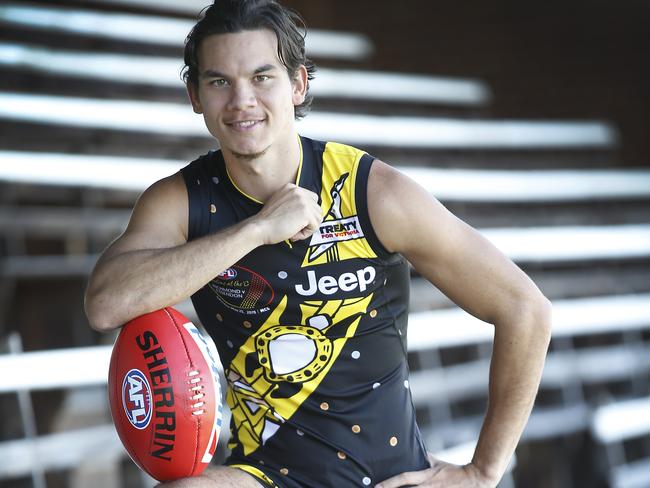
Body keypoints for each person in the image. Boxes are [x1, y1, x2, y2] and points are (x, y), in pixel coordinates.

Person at [84, 0, 552, 486]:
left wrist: (482, 472)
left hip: (387, 476)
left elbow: (526, 308)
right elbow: (105, 304)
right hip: (265, 473)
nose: (241, 99)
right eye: (219, 81)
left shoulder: (369, 190)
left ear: (298, 84)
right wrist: (257, 229)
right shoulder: (181, 200)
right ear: (195, 95)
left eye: (262, 77)